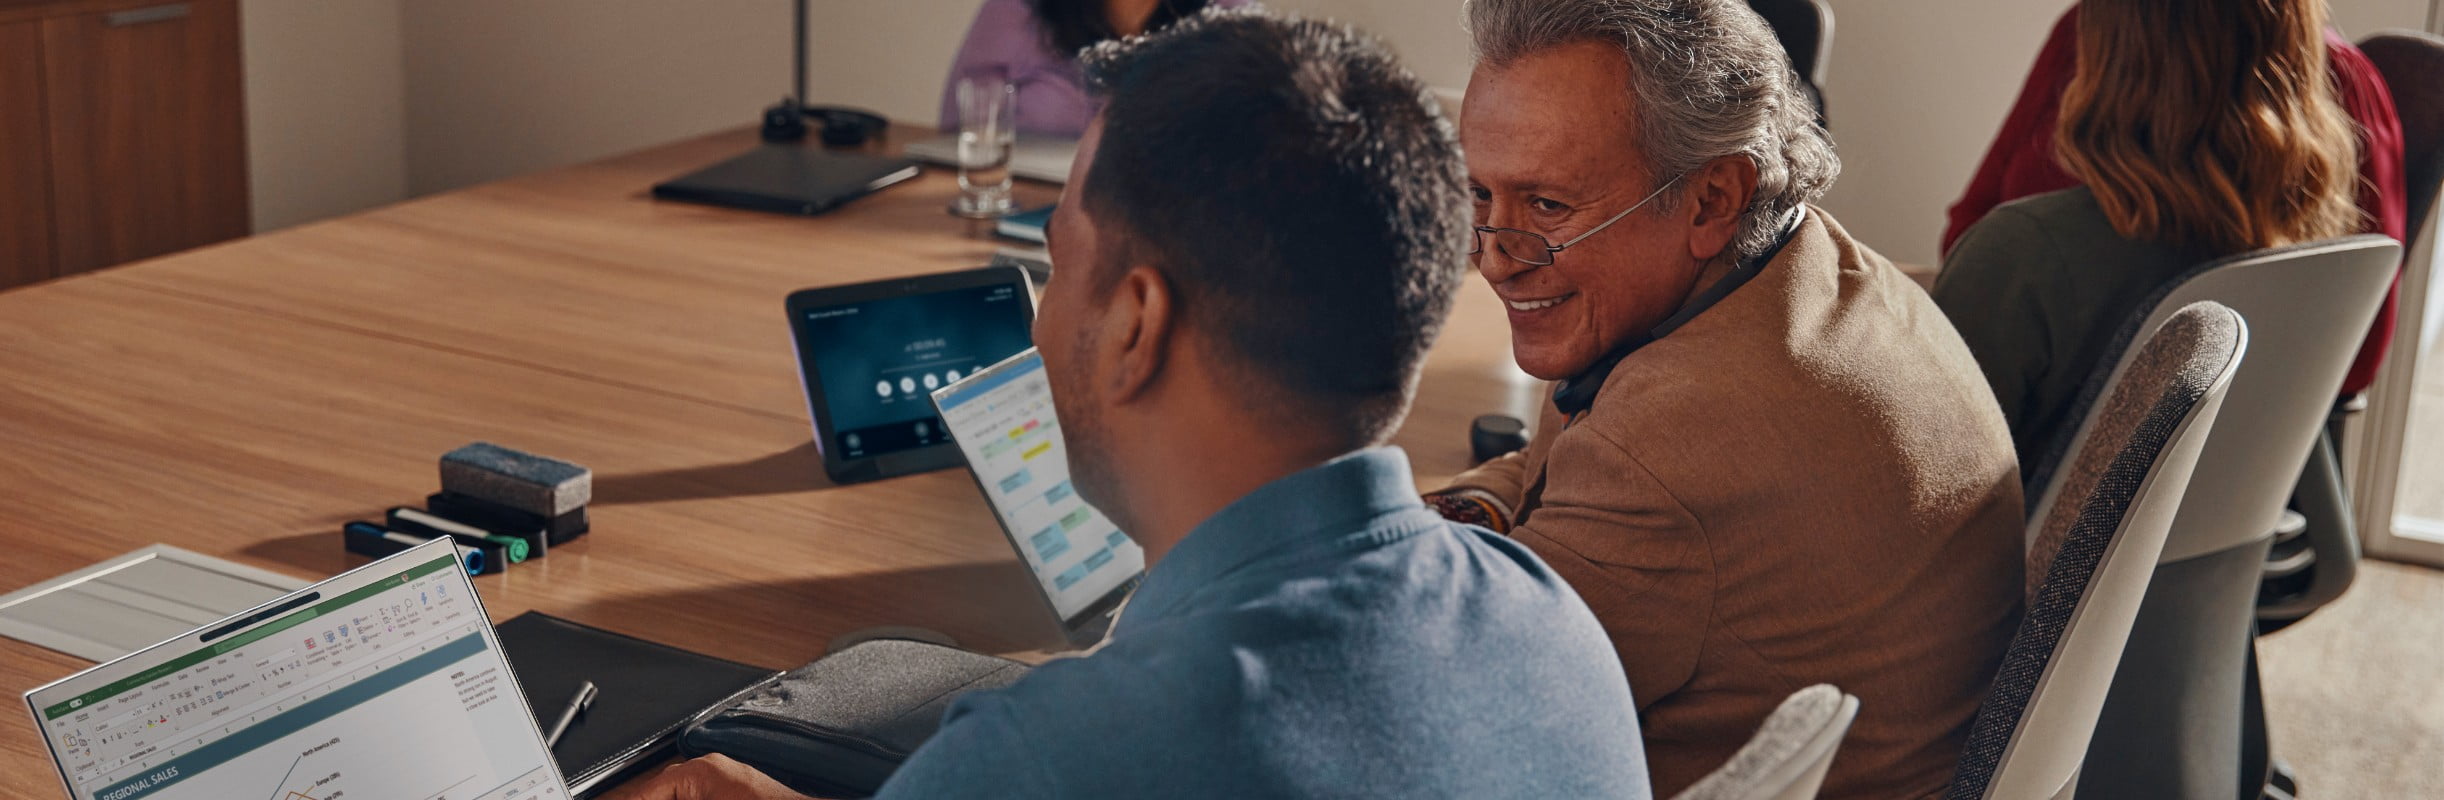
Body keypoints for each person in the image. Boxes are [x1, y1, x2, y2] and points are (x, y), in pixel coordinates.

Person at [617, 10, 1650, 800]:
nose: (1036, 328)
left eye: (1057, 263)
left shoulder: (1051, 756)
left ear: (1134, 323)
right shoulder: (1551, 625)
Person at [1424, 1, 2025, 798]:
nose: (1496, 258)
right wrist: (1458, 512)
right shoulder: (1816, 269)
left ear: (1713, 198)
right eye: (1478, 194)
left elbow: (1425, 707)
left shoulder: (1671, 447)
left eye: (1547, 207)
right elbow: (1551, 469)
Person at [1934, 0, 2380, 479]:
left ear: (2104, 51)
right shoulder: (2312, 263)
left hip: (2022, 527)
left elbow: (1925, 475)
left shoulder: (2023, 256)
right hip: (2219, 525)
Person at [938, 0, 1246, 137]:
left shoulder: (1230, 17)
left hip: (1170, 225)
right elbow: (959, 131)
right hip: (1029, 212)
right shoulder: (1018, 9)